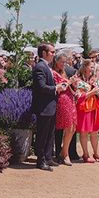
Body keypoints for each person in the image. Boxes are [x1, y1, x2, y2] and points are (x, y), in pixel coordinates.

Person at [31, 43, 64, 171]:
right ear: (44, 53)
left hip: (50, 106)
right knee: (42, 135)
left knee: (50, 134)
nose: (54, 54)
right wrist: (56, 88)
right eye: (52, 52)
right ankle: (41, 160)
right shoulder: (40, 67)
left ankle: (48, 157)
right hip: (44, 107)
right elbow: (41, 87)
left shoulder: (46, 66)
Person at [75, 59, 99, 163]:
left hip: (95, 108)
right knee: (84, 132)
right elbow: (78, 97)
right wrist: (92, 92)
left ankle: (96, 153)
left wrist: (98, 92)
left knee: (94, 132)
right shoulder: (78, 80)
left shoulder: (94, 79)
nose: (93, 69)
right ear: (85, 67)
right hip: (84, 109)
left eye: (94, 67)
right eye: (91, 67)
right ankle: (85, 154)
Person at [52, 52, 77, 166]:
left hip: (70, 100)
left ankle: (64, 152)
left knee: (72, 127)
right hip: (62, 101)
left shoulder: (65, 72)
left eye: (65, 62)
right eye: (62, 62)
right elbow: (59, 88)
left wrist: (74, 85)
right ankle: (65, 154)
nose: (64, 64)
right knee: (68, 126)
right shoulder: (53, 73)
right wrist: (69, 82)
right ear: (56, 61)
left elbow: (71, 87)